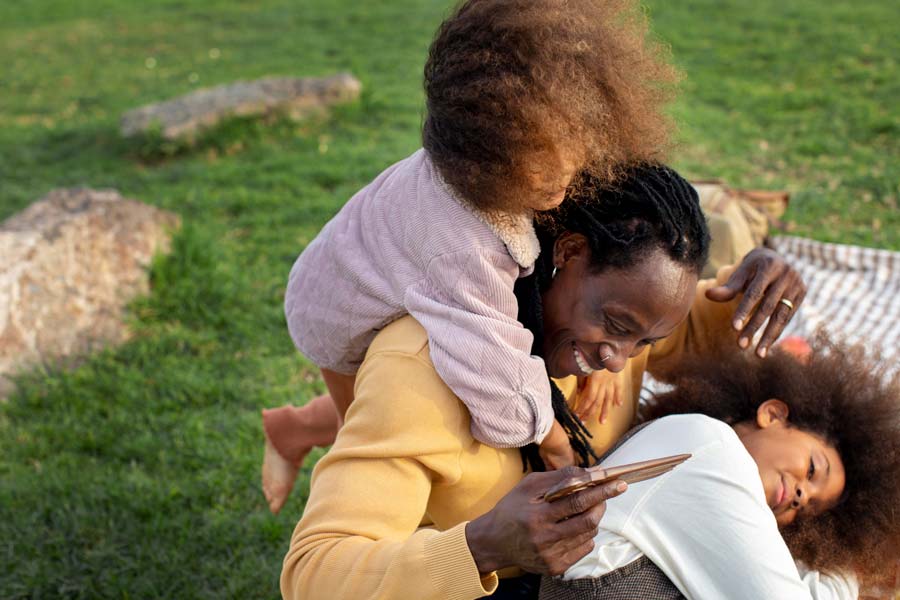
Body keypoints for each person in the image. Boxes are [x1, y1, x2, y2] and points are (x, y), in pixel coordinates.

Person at [280, 165, 808, 599]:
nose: (619, 362)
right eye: (616, 326)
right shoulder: (424, 367)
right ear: (569, 253)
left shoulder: (620, 325)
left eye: (644, 342)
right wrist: (481, 546)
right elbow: (314, 572)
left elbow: (694, 329)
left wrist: (760, 286)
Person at [261, 0, 681, 513]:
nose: (564, 175)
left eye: (576, 149)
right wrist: (556, 443)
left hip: (370, 254)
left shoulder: (514, 168)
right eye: (542, 162)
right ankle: (298, 439)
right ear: (486, 149)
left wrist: (604, 348)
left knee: (407, 402)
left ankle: (290, 425)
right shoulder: (465, 246)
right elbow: (494, 374)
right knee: (380, 438)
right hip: (338, 308)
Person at [540, 342, 900, 600]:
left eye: (808, 510)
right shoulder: (710, 447)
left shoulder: (710, 485)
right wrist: (853, 563)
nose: (802, 496)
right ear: (772, 415)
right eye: (812, 469)